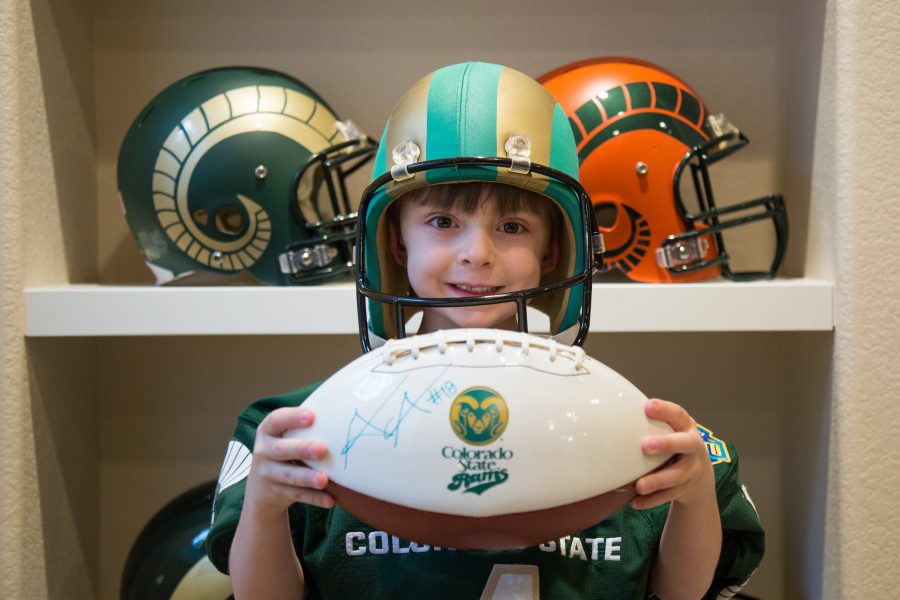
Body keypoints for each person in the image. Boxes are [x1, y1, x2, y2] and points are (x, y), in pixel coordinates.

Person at [206, 62, 764, 599]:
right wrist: (264, 503)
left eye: (512, 226)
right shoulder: (295, 432)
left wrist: (693, 497)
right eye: (443, 222)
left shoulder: (642, 431)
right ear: (396, 242)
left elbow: (679, 592)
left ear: (553, 250)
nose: (477, 255)